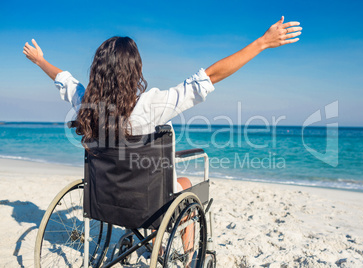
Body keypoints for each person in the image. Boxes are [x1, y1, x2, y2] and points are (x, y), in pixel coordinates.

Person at [23, 16, 301, 264]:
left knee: (155, 180)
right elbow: (209, 77)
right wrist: (261, 43)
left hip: (104, 202)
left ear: (97, 71)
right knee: (186, 185)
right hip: (149, 204)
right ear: (134, 71)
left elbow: (64, 79)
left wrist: (39, 61)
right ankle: (190, 254)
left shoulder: (86, 105)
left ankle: (155, 240)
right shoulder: (151, 105)